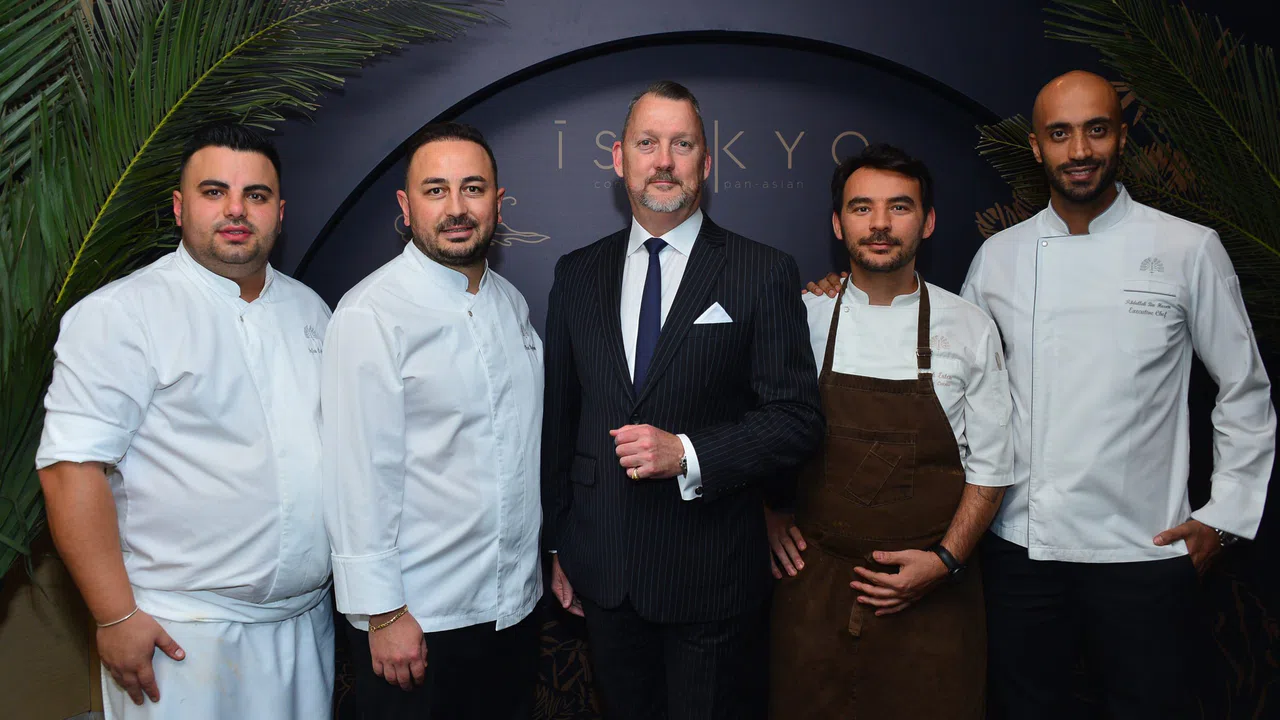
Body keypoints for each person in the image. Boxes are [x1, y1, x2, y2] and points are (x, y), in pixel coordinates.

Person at [808, 70, 1276, 718]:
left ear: (1121, 138)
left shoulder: (1188, 250)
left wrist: (1224, 517)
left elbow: (1245, 388)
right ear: (1036, 147)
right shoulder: (999, 257)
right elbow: (953, 378)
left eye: (1096, 130)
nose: (1079, 150)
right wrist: (848, 296)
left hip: (1142, 550)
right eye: (1060, 134)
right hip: (1018, 550)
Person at [540, 80, 824, 719]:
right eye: (647, 143)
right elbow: (560, 421)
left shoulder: (761, 271)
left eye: (682, 144)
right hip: (604, 574)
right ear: (620, 159)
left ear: (707, 161)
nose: (664, 161)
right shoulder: (576, 273)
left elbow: (797, 419)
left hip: (711, 579)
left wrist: (689, 453)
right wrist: (557, 545)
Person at [36, 123, 334, 719]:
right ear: (179, 207)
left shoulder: (312, 310)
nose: (236, 210)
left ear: (279, 213)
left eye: (255, 195)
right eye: (214, 191)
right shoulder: (121, 314)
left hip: (304, 626)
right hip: (178, 635)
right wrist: (114, 616)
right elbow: (71, 469)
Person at [768, 143, 1013, 719]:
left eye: (899, 207)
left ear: (927, 222)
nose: (880, 224)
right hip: (814, 592)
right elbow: (754, 428)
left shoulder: (970, 328)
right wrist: (767, 513)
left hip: (932, 601)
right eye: (862, 208)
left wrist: (945, 562)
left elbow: (993, 468)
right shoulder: (801, 317)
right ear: (838, 224)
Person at [322, 122, 543, 720]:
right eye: (435, 190)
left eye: (473, 188)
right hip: (419, 622)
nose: (456, 208)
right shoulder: (371, 314)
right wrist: (383, 613)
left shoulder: (511, 304)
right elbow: (354, 476)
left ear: (498, 200)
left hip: (512, 609)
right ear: (406, 206)